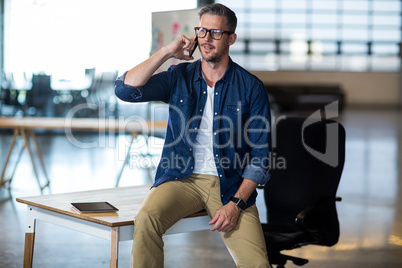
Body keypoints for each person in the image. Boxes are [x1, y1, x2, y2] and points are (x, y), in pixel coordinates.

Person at [115, 3, 271, 268]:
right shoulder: (180, 76)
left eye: (215, 33)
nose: (206, 38)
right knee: (147, 219)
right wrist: (166, 52)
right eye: (201, 30)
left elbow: (261, 156)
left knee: (257, 264)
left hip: (230, 185)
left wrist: (236, 204)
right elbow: (126, 90)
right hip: (181, 177)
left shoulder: (251, 87)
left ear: (231, 38)